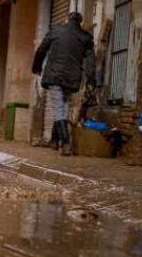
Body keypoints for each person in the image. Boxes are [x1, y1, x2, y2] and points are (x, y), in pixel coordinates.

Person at [32, 12, 95, 155]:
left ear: (67, 19)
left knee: (60, 109)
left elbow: (41, 49)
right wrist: (91, 80)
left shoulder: (56, 30)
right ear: (80, 22)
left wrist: (36, 67)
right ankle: (54, 141)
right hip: (71, 79)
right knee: (61, 107)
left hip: (54, 76)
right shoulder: (85, 36)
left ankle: (65, 144)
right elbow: (91, 61)